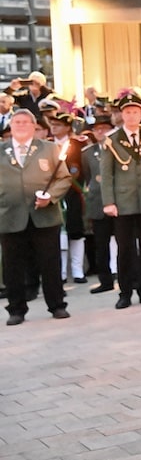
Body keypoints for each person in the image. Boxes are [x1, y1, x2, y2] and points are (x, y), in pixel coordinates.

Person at [1, 109, 73, 325]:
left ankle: (57, 305)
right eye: (17, 122)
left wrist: (50, 196)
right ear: (11, 126)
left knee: (50, 263)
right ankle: (16, 309)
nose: (21, 125)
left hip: (44, 216)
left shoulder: (49, 149)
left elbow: (64, 178)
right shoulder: (1, 150)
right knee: (12, 267)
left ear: (34, 127)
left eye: (26, 122)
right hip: (10, 216)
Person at [100, 93, 141, 310]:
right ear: (121, 115)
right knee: (125, 249)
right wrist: (109, 202)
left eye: (135, 112)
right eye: (127, 112)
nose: (131, 116)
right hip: (123, 202)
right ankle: (125, 292)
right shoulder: (112, 139)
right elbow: (106, 174)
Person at [47, 111, 88, 284]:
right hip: (53, 194)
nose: (54, 128)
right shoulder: (46, 145)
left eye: (58, 125)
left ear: (67, 127)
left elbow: (82, 169)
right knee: (58, 233)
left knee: (76, 230)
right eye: (52, 124)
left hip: (73, 192)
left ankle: (78, 271)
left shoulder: (77, 145)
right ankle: (61, 272)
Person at [81, 115, 118, 293]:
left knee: (125, 242)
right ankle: (105, 280)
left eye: (104, 128)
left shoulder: (118, 148)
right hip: (98, 202)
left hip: (118, 201)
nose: (101, 132)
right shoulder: (87, 152)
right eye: (97, 129)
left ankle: (130, 277)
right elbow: (88, 177)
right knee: (101, 245)